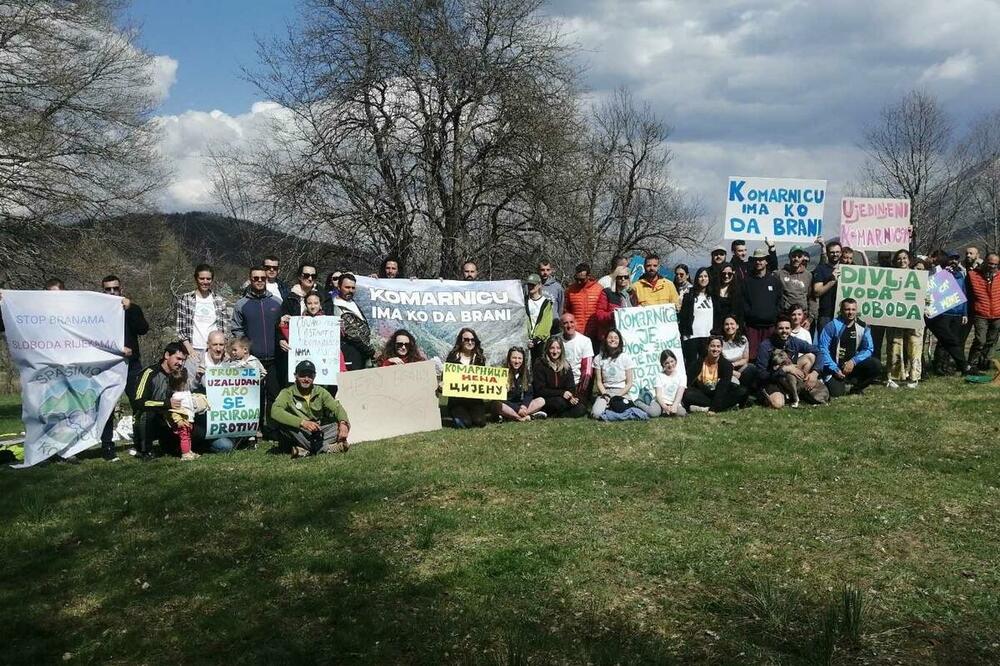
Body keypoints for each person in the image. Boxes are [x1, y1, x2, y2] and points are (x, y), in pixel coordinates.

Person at [98, 274, 150, 462]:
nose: (112, 292)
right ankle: (107, 446)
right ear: (102, 291)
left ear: (121, 289)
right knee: (108, 406)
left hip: (132, 365)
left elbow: (143, 329)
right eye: (108, 289)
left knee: (138, 402)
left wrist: (131, 310)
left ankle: (141, 443)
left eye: (115, 288)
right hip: (108, 365)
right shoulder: (97, 312)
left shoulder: (131, 308)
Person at [232, 267, 284, 427]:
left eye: (262, 278)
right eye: (256, 278)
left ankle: (273, 428)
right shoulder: (241, 304)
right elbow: (237, 330)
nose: (260, 281)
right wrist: (243, 353)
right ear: (250, 279)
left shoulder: (277, 302)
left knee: (274, 394)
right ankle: (254, 427)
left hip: (275, 357)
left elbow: (283, 327)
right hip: (252, 359)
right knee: (254, 395)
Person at [271, 360, 351, 457]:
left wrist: (343, 424)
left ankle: (303, 450)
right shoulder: (287, 392)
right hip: (299, 432)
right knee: (284, 426)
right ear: (295, 375)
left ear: (314, 376)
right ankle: (325, 448)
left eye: (310, 376)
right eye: (302, 375)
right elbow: (275, 411)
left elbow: (337, 408)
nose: (306, 379)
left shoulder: (321, 392)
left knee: (340, 424)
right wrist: (302, 423)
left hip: (317, 431)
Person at [754, 314, 825, 409]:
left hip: (790, 376)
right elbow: (761, 374)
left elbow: (819, 352)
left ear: (791, 330)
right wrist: (785, 369)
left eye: (787, 328)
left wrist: (815, 373)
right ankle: (771, 395)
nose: (784, 331)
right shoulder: (765, 346)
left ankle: (798, 390)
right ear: (775, 329)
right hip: (772, 380)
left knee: (810, 356)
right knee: (777, 404)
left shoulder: (794, 341)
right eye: (781, 328)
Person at [132, 342, 189, 460]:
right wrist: (166, 404)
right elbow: (139, 402)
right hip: (148, 419)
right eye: (178, 358)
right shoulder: (149, 373)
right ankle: (144, 450)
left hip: (168, 419)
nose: (180, 363)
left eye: (183, 360)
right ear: (167, 355)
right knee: (148, 413)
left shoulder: (179, 374)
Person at [175, 264, 228, 388]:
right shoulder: (185, 299)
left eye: (208, 279)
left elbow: (224, 329)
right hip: (194, 350)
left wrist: (223, 349)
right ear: (196, 279)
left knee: (215, 387)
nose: (205, 282)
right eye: (202, 278)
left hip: (214, 351)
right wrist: (190, 349)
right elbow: (180, 329)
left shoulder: (219, 301)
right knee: (190, 386)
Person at [817, 298, 882, 397]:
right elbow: (822, 349)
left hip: (852, 365)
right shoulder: (832, 326)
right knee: (837, 394)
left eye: (853, 309)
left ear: (856, 310)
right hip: (834, 367)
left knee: (876, 365)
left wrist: (853, 361)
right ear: (841, 310)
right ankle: (831, 381)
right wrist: (834, 368)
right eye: (847, 309)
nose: (850, 312)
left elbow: (869, 348)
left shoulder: (863, 326)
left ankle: (856, 388)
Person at [926, 256, 970, 375]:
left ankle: (960, 366)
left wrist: (964, 313)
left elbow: (963, 293)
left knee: (951, 340)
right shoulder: (929, 272)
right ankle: (938, 366)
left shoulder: (957, 274)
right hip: (937, 313)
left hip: (953, 312)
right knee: (943, 341)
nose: (934, 262)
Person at [885, 250, 922, 389]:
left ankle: (914, 377)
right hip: (895, 316)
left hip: (913, 316)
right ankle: (894, 376)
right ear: (895, 261)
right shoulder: (889, 276)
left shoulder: (917, 276)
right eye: (899, 259)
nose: (902, 261)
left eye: (905, 258)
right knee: (895, 345)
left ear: (909, 260)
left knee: (915, 345)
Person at [682, 337, 747, 414]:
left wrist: (713, 409)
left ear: (721, 348)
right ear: (707, 347)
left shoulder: (727, 365)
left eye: (718, 346)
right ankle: (725, 406)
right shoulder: (699, 362)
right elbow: (687, 381)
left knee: (742, 391)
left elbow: (723, 388)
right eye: (712, 346)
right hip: (704, 394)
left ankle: (705, 408)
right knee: (686, 393)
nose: (715, 349)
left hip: (720, 393)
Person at [531, 337, 587, 418]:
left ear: (561, 350)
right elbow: (540, 390)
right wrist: (561, 393)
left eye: (558, 348)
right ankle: (546, 411)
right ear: (547, 349)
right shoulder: (540, 364)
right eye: (552, 348)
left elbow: (571, 387)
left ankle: (556, 415)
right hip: (545, 398)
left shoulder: (566, 365)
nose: (555, 351)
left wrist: (571, 397)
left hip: (563, 398)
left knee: (581, 407)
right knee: (559, 402)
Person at [742, 247, 782, 359]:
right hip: (752, 326)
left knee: (770, 355)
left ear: (766, 261)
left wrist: (774, 314)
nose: (758, 262)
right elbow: (743, 301)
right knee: (752, 356)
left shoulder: (774, 281)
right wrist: (750, 314)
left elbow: (780, 300)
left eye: (761, 259)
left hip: (770, 326)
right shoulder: (747, 281)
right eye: (756, 259)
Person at [445, 328, 489, 428]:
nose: (470, 342)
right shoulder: (452, 357)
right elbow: (447, 378)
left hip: (474, 400)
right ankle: (455, 414)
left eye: (472, 340)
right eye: (466, 339)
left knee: (480, 422)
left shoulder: (479, 358)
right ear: (461, 340)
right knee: (465, 424)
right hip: (457, 401)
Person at [590, 329, 637, 418]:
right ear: (605, 340)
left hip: (621, 392)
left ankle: (610, 412)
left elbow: (629, 383)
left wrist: (617, 397)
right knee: (596, 414)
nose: (613, 340)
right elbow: (599, 382)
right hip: (606, 391)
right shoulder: (598, 358)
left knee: (621, 407)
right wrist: (605, 395)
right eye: (610, 337)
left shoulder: (626, 358)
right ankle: (614, 412)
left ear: (619, 341)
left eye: (616, 338)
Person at [332, 273, 374, 371]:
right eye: (347, 287)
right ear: (338, 287)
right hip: (349, 353)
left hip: (362, 354)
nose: (350, 290)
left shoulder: (354, 302)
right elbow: (352, 334)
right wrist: (371, 351)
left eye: (353, 288)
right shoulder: (335, 306)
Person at [966, 252, 1000, 372]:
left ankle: (985, 363)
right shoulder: (973, 275)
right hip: (981, 313)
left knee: (992, 341)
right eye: (990, 263)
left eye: (995, 264)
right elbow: (968, 295)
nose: (993, 266)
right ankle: (972, 363)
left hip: (997, 314)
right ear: (985, 261)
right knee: (980, 340)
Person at [679, 267, 716, 371]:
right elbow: (684, 317)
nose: (703, 279)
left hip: (708, 335)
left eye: (705, 276)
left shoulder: (713, 296)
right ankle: (690, 386)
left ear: (709, 278)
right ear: (696, 279)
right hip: (691, 336)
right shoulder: (689, 295)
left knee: (706, 364)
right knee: (691, 365)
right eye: (700, 276)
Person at [497, 347, 546, 422]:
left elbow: (529, 394)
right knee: (496, 405)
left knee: (541, 400)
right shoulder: (501, 373)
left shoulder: (525, 373)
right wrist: (517, 409)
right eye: (514, 358)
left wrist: (524, 406)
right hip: (507, 404)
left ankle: (509, 416)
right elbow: (499, 397)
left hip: (520, 404)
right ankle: (522, 418)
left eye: (520, 358)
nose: (517, 361)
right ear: (509, 359)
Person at [564, 262, 603, 345]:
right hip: (577, 333)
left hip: (595, 333)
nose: (578, 282)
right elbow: (566, 311)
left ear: (588, 276)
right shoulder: (570, 290)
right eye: (576, 279)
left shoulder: (599, 289)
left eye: (581, 279)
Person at [592, 266, 631, 346]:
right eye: (620, 277)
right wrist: (611, 315)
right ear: (615, 278)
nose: (623, 279)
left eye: (626, 277)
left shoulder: (631, 294)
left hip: (627, 337)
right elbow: (599, 314)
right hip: (610, 336)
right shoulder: (607, 292)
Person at [811, 241, 842, 342]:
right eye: (832, 252)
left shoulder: (847, 268)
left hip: (843, 315)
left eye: (837, 252)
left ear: (841, 253)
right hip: (826, 315)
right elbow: (817, 292)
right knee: (825, 345)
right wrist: (832, 281)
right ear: (827, 253)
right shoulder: (821, 269)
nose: (835, 254)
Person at [167, 368, 199, 461]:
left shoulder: (186, 393)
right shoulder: (176, 396)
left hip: (189, 419)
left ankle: (189, 451)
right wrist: (179, 420)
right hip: (183, 421)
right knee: (184, 437)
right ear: (182, 383)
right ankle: (185, 454)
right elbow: (174, 411)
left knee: (188, 436)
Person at [559, 313, 594, 398]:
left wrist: (581, 391)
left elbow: (587, 371)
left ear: (575, 323)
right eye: (565, 323)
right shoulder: (555, 340)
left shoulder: (585, 341)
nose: (569, 325)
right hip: (558, 384)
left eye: (571, 322)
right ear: (561, 325)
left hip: (576, 384)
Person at [720, 315, 759, 389]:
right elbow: (719, 362)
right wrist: (732, 372)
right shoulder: (720, 341)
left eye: (732, 324)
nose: (729, 327)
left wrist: (734, 364)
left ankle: (746, 392)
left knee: (751, 368)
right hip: (724, 370)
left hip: (739, 367)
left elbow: (745, 359)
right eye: (726, 324)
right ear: (723, 327)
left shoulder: (743, 339)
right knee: (734, 383)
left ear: (737, 326)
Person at [524, 273, 554, 365]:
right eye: (529, 284)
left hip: (540, 343)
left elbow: (546, 324)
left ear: (539, 285)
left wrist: (537, 339)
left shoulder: (546, 303)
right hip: (525, 341)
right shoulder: (523, 301)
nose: (531, 287)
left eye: (533, 284)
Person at [775, 245, 812, 313]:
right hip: (786, 314)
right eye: (794, 256)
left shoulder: (808, 275)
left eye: (799, 256)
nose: (796, 259)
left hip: (802, 314)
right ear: (789, 256)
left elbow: (812, 298)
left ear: (803, 258)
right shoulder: (780, 274)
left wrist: (811, 317)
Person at [650, 349, 686, 417]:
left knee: (682, 413)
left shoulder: (682, 376)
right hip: (660, 402)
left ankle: (666, 412)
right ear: (662, 364)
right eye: (666, 363)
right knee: (653, 413)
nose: (670, 365)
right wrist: (664, 407)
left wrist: (675, 406)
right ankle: (639, 403)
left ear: (675, 361)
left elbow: (680, 393)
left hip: (674, 402)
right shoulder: (659, 376)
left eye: (672, 361)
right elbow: (658, 395)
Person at [538, 259, 565, 325]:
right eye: (542, 270)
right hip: (537, 323)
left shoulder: (557, 287)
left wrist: (558, 319)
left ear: (551, 270)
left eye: (548, 270)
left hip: (553, 323)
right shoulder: (531, 286)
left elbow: (561, 306)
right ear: (538, 270)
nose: (545, 272)